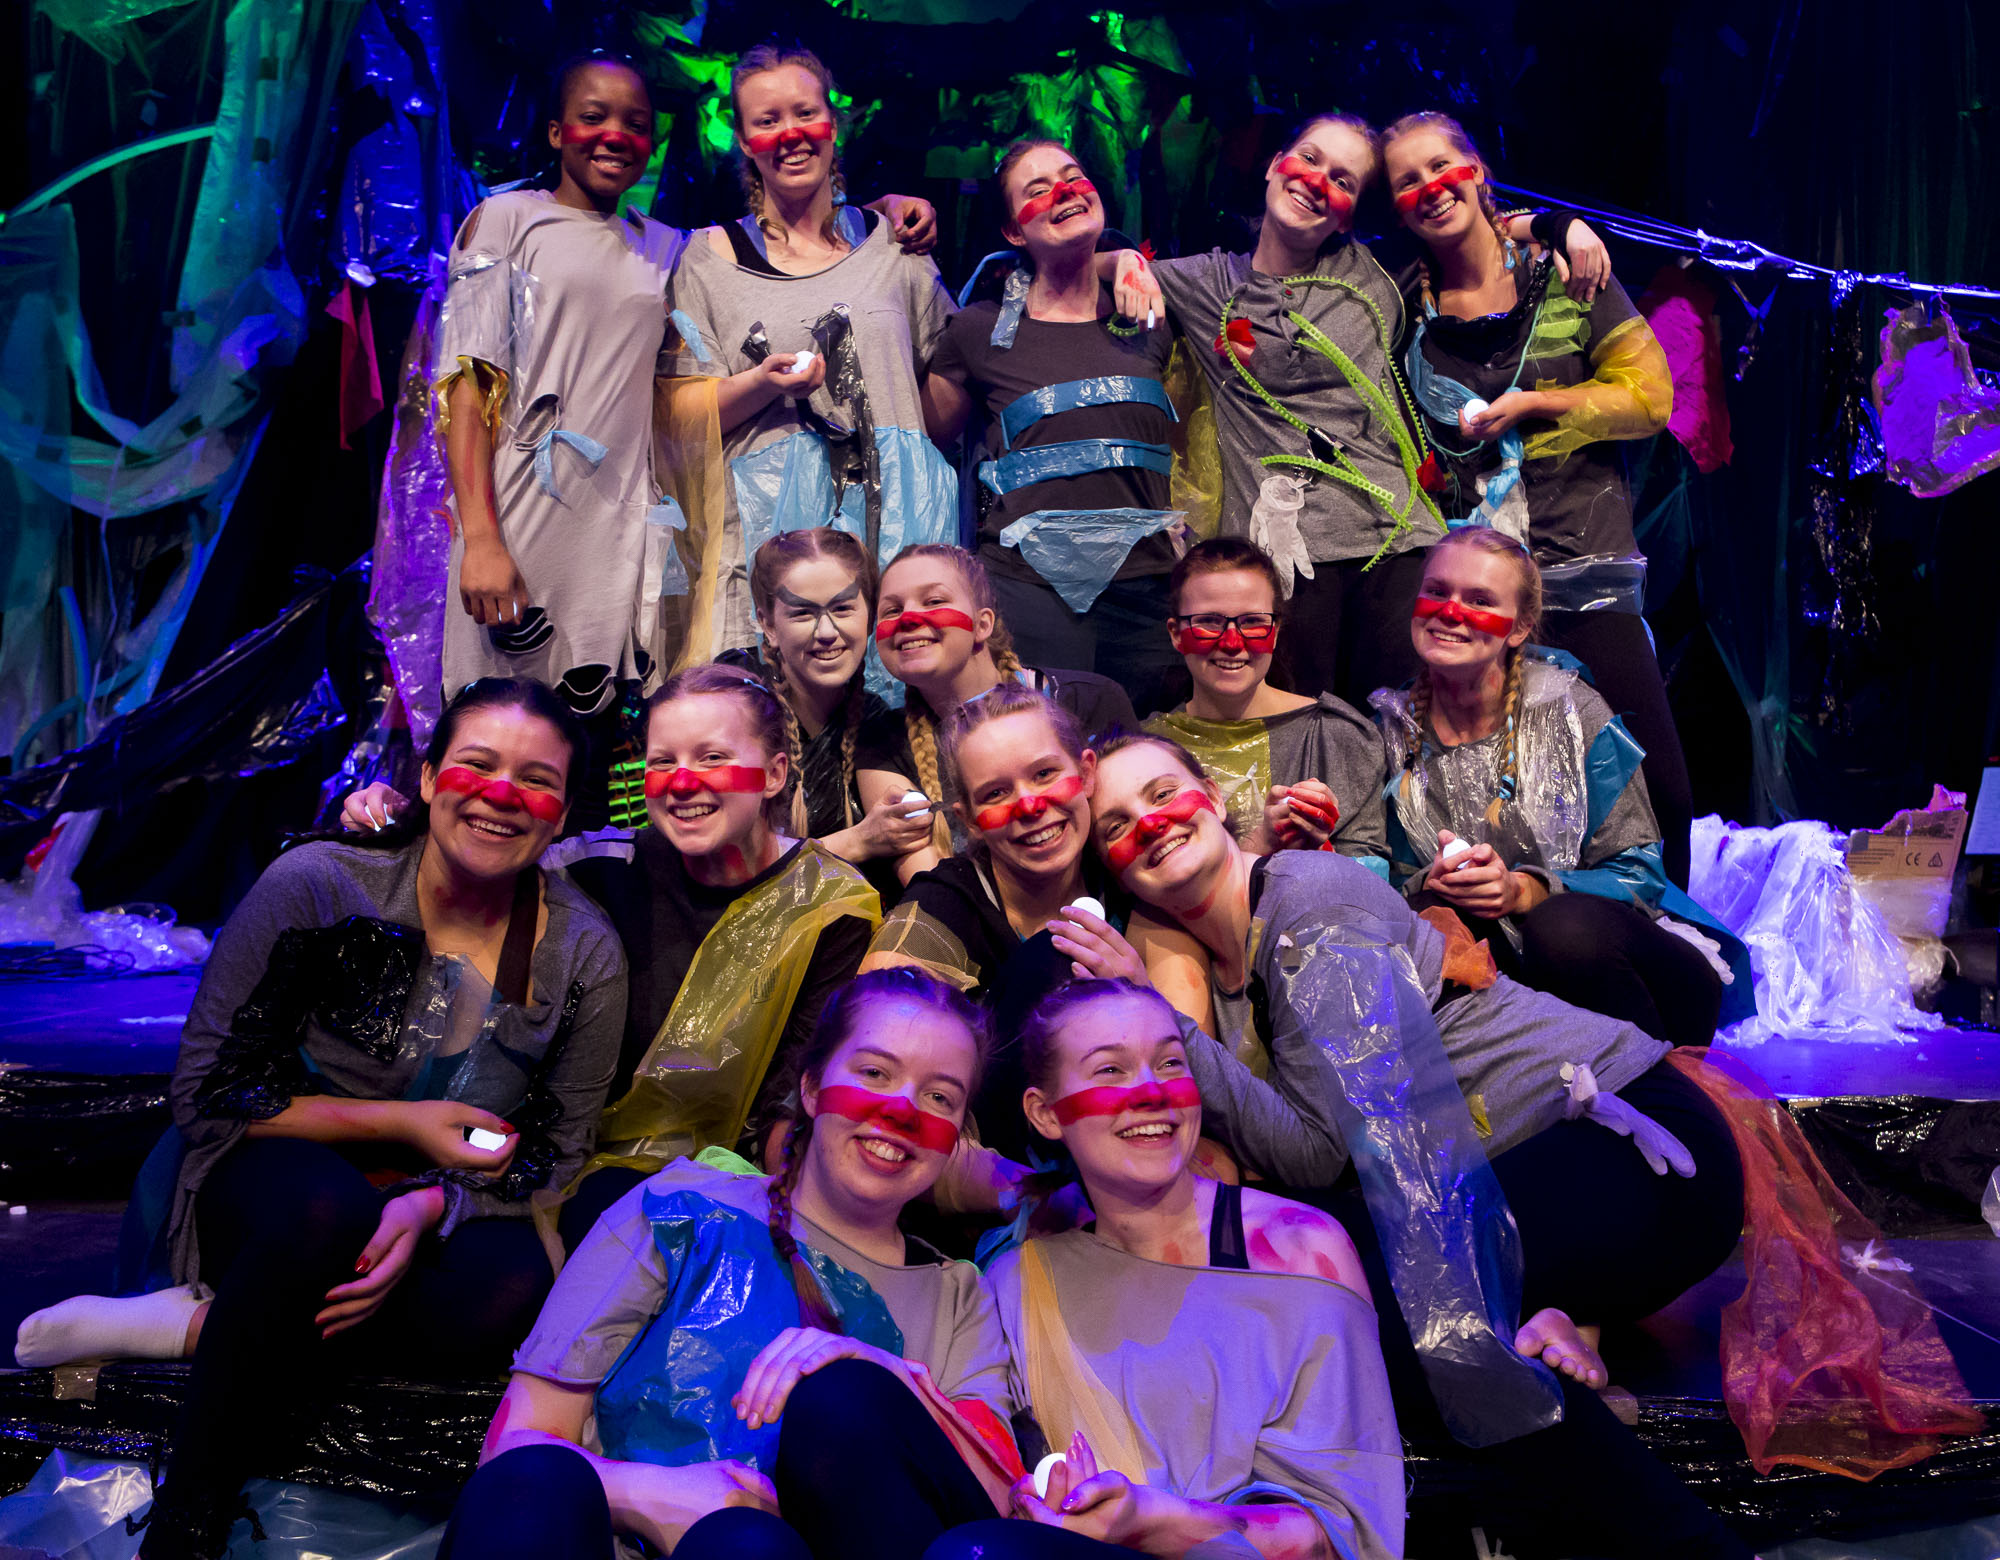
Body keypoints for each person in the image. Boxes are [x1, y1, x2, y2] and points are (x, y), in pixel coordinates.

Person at [1088, 733, 1762, 1558]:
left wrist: (1161, 1022)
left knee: (1400, 1307)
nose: (1149, 824)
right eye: (1116, 823)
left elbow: (1318, 1156)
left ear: (1213, 793)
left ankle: (1695, 1548)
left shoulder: (1307, 907)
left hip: (1635, 1145)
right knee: (1338, 1285)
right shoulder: (1222, 963)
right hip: (1522, 1174)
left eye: (1162, 793)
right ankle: (1543, 1357)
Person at [30, 680, 629, 1559]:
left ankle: (200, 1328)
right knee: (326, 1215)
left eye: (535, 780)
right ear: (428, 779)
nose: (502, 795)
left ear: (563, 814)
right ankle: (188, 1518)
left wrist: (433, 1204)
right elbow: (208, 1091)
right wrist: (403, 1125)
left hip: (441, 1196)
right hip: (274, 1165)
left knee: (512, 1290)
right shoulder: (321, 885)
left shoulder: (583, 950)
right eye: (477, 765)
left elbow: (558, 1151)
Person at [434, 968, 1024, 1560]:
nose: (901, 1111)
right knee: (536, 1484)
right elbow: (514, 1451)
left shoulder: (961, 1301)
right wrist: (657, 1494)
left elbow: (998, 1506)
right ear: (812, 1088)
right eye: (874, 1073)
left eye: (939, 1098)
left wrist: (885, 1374)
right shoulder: (680, 1207)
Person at [437, 52, 938, 713]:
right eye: (593, 117)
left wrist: (881, 213)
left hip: (621, 536)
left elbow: (812, 245)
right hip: (526, 515)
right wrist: (480, 538)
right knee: (499, 715)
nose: (615, 135)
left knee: (593, 730)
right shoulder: (506, 220)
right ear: (556, 131)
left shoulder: (662, 247)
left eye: (635, 124)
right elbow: (466, 386)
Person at [337, 666, 882, 1247]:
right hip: (580, 1169)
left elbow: (795, 1093)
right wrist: (399, 816)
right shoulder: (598, 867)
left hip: (741, 1179)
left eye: (712, 758)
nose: (682, 782)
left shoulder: (829, 906)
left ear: (774, 774)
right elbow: (485, 845)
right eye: (663, 761)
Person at [1107, 115, 1612, 711]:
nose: (1317, 181)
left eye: (1343, 180)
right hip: (1288, 561)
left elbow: (1472, 223)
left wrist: (1561, 225)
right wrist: (1119, 260)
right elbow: (1080, 264)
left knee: (1402, 734)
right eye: (1309, 158)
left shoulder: (1374, 272)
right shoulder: (1206, 282)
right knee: (1306, 735)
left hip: (1397, 547)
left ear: (1348, 215)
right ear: (1273, 165)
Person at [929, 977, 1405, 1560]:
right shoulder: (1018, 1283)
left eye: (1170, 1063)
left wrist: (1154, 1522)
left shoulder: (1298, 1251)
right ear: (1046, 1114)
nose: (1152, 1091)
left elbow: (1346, 1532)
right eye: (1110, 1070)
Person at [1381, 111, 1693, 886]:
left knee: (1658, 790)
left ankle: (1663, 941)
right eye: (1406, 180)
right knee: (1486, 796)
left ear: (1478, 171)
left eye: (1441, 165)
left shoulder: (1565, 273)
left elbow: (1651, 399)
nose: (1429, 187)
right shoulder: (1402, 307)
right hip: (1473, 592)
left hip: (1583, 568)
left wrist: (1534, 404)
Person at [1373, 526, 1747, 1043]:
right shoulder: (1388, 732)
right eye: (1437, 591)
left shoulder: (1572, 711)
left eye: (1480, 600)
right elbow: (1377, 884)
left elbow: (1640, 876)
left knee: (1560, 928)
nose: (1451, 612)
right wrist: (1432, 885)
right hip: (1505, 978)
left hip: (1617, 965)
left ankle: (1650, 1082)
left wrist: (1525, 891)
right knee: (1426, 927)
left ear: (1521, 627)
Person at [666, 44, 961, 663]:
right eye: (767, 120)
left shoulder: (895, 246)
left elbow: (946, 391)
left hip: (894, 537)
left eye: (805, 113)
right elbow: (679, 415)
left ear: (833, 124)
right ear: (744, 141)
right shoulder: (706, 259)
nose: (790, 134)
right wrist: (764, 383)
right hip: (773, 546)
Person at [923, 137, 1188, 721]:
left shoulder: (1152, 313)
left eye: (1072, 176)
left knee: (1135, 753)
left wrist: (1124, 258)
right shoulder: (978, 331)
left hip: (1145, 592)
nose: (1064, 192)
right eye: (1037, 189)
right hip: (1028, 588)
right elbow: (926, 441)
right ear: (1013, 232)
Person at [861, 683, 1158, 1167]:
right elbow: (864, 1087)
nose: (1030, 806)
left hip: (1148, 1134)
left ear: (1085, 772)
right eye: (996, 793)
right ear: (971, 821)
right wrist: (1014, 1191)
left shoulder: (1133, 871)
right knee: (1055, 957)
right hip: (993, 1169)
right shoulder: (942, 907)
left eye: (1044, 774)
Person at [855, 544, 1137, 886]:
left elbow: (1134, 831)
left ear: (982, 624)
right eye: (892, 609)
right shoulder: (882, 743)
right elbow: (933, 891)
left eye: (934, 601)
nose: (909, 618)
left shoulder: (1088, 700)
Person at [1145, 537, 1390, 868]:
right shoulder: (1147, 750)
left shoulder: (1337, 738)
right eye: (1209, 622)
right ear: (1176, 633)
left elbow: (1373, 883)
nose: (1232, 643)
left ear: (1275, 631)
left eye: (1252, 622)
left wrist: (1318, 847)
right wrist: (1258, 845)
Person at [722, 528, 930, 895]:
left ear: (869, 616)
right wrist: (858, 841)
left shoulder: (878, 725)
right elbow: (720, 867)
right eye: (802, 613)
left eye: (843, 608)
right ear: (768, 624)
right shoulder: (731, 707)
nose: (826, 632)